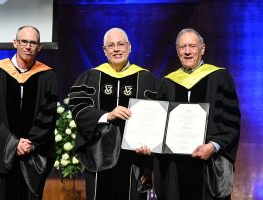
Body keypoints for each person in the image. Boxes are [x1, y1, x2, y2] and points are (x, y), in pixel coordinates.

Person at [137, 28, 240, 200]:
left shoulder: (220, 77)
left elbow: (232, 120)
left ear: (202, 49)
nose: (187, 51)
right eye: (182, 47)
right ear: (177, 51)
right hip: (174, 167)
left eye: (192, 46)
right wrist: (148, 145)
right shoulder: (167, 83)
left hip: (208, 164)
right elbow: (158, 126)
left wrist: (213, 146)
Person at [68, 27, 161, 200]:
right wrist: (107, 115)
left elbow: (157, 118)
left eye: (121, 44)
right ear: (104, 50)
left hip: (134, 159)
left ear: (129, 47)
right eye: (111, 45)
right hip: (99, 156)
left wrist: (149, 159)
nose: (116, 49)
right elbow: (78, 107)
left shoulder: (147, 79)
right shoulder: (91, 77)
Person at [0, 26, 58, 200]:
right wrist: (12, 143)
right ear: (15, 43)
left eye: (33, 43)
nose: (28, 46)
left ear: (39, 47)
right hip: (1, 152)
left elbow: (48, 115)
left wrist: (30, 143)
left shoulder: (47, 76)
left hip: (31, 155)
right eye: (24, 41)